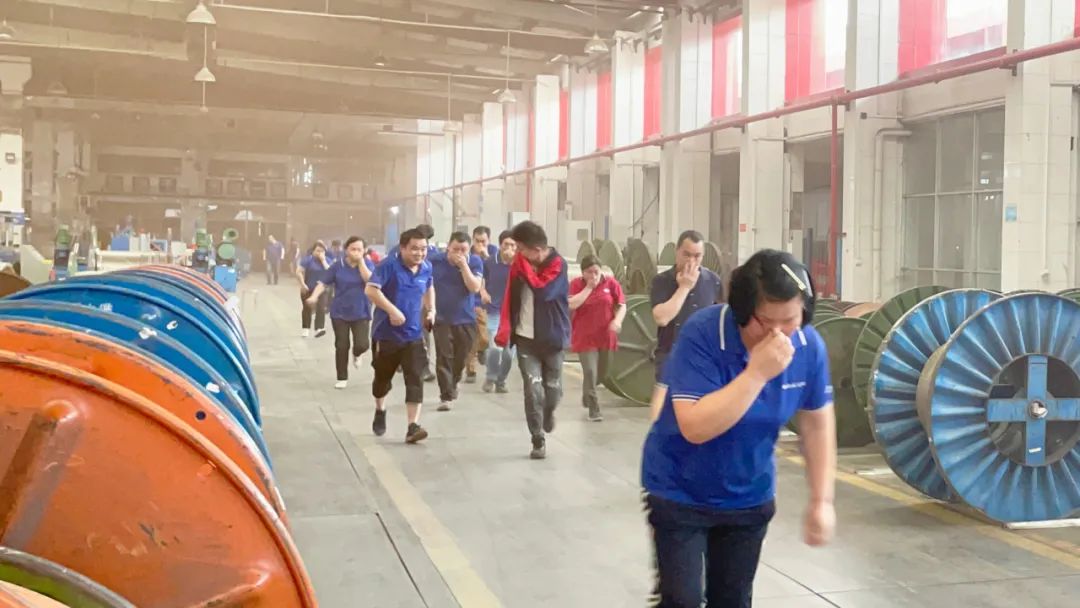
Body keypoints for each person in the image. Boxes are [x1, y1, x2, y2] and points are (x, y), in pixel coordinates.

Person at [640, 249, 836, 608]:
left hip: (748, 495)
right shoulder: (704, 333)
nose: (779, 334)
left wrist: (821, 500)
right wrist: (756, 373)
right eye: (766, 322)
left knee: (732, 600)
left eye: (790, 321)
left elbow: (817, 425)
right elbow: (694, 426)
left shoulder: (809, 347)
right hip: (680, 490)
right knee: (682, 600)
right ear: (742, 311)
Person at [494, 221, 570, 460]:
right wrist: (505, 329)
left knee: (553, 389)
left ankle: (549, 411)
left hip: (553, 338)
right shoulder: (520, 263)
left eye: (520, 248)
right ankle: (538, 439)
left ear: (536, 249)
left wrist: (525, 268)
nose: (517, 253)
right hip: (525, 338)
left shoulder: (558, 265)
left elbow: (544, 292)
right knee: (532, 389)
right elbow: (509, 295)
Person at [365, 229, 435, 444]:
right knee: (382, 380)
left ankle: (412, 426)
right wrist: (392, 311)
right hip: (386, 335)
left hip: (413, 335)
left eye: (423, 249)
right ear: (403, 248)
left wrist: (431, 309)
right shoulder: (388, 266)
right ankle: (380, 409)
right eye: (414, 248)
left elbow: (429, 287)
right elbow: (371, 290)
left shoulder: (426, 267)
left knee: (415, 379)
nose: (419, 253)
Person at [649, 230, 725, 421]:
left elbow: (722, 319)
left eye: (697, 256)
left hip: (703, 360)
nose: (691, 261)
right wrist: (684, 287)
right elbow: (662, 318)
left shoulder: (713, 281)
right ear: (677, 252)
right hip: (670, 357)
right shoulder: (661, 281)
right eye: (687, 254)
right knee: (664, 417)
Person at [305, 236, 374, 389]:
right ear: (346, 250)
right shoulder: (338, 266)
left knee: (362, 344)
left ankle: (357, 353)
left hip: (361, 310)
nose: (356, 252)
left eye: (359, 249)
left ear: (364, 251)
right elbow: (323, 283)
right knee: (341, 345)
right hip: (340, 312)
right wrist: (314, 296)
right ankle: (342, 377)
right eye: (353, 249)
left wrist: (361, 262)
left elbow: (369, 280)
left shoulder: (368, 263)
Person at [429, 231, 483, 411]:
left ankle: (454, 382)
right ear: (448, 248)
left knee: (461, 357)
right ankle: (445, 396)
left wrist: (464, 266)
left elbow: (474, 287)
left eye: (463, 250)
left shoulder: (474, 262)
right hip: (442, 318)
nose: (459, 253)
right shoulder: (435, 261)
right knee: (444, 356)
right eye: (455, 249)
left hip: (465, 318)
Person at [568, 255, 626, 422]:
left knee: (603, 373)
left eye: (596, 272)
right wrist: (588, 288)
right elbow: (572, 304)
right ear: (582, 273)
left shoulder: (611, 284)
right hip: (585, 336)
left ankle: (588, 391)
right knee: (590, 371)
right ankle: (594, 409)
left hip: (606, 336)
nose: (593, 275)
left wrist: (617, 320)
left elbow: (622, 305)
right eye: (589, 272)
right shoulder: (576, 284)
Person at [481, 231, 516, 394]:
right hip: (494, 311)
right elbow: (482, 280)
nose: (509, 248)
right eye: (506, 244)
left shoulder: (521, 264)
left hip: (514, 314)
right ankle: (491, 376)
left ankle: (501, 380)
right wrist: (483, 292)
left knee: (509, 354)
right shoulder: (490, 262)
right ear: (500, 245)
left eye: (513, 245)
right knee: (495, 348)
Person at [465, 225, 496, 384]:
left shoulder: (494, 253)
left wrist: (487, 257)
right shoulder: (468, 255)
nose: (480, 244)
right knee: (472, 336)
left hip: (490, 301)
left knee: (483, 337)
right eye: (477, 241)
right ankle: (470, 370)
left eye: (483, 241)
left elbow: (497, 272)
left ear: (489, 240)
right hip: (472, 300)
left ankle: (482, 349)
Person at [296, 240, 331, 338]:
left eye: (322, 251)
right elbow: (299, 272)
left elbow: (330, 272)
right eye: (317, 251)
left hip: (322, 289)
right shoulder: (307, 260)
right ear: (313, 251)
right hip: (308, 287)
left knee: (321, 307)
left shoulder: (327, 260)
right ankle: (305, 328)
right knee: (307, 308)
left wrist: (323, 261)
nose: (319, 253)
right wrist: (302, 284)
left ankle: (319, 328)